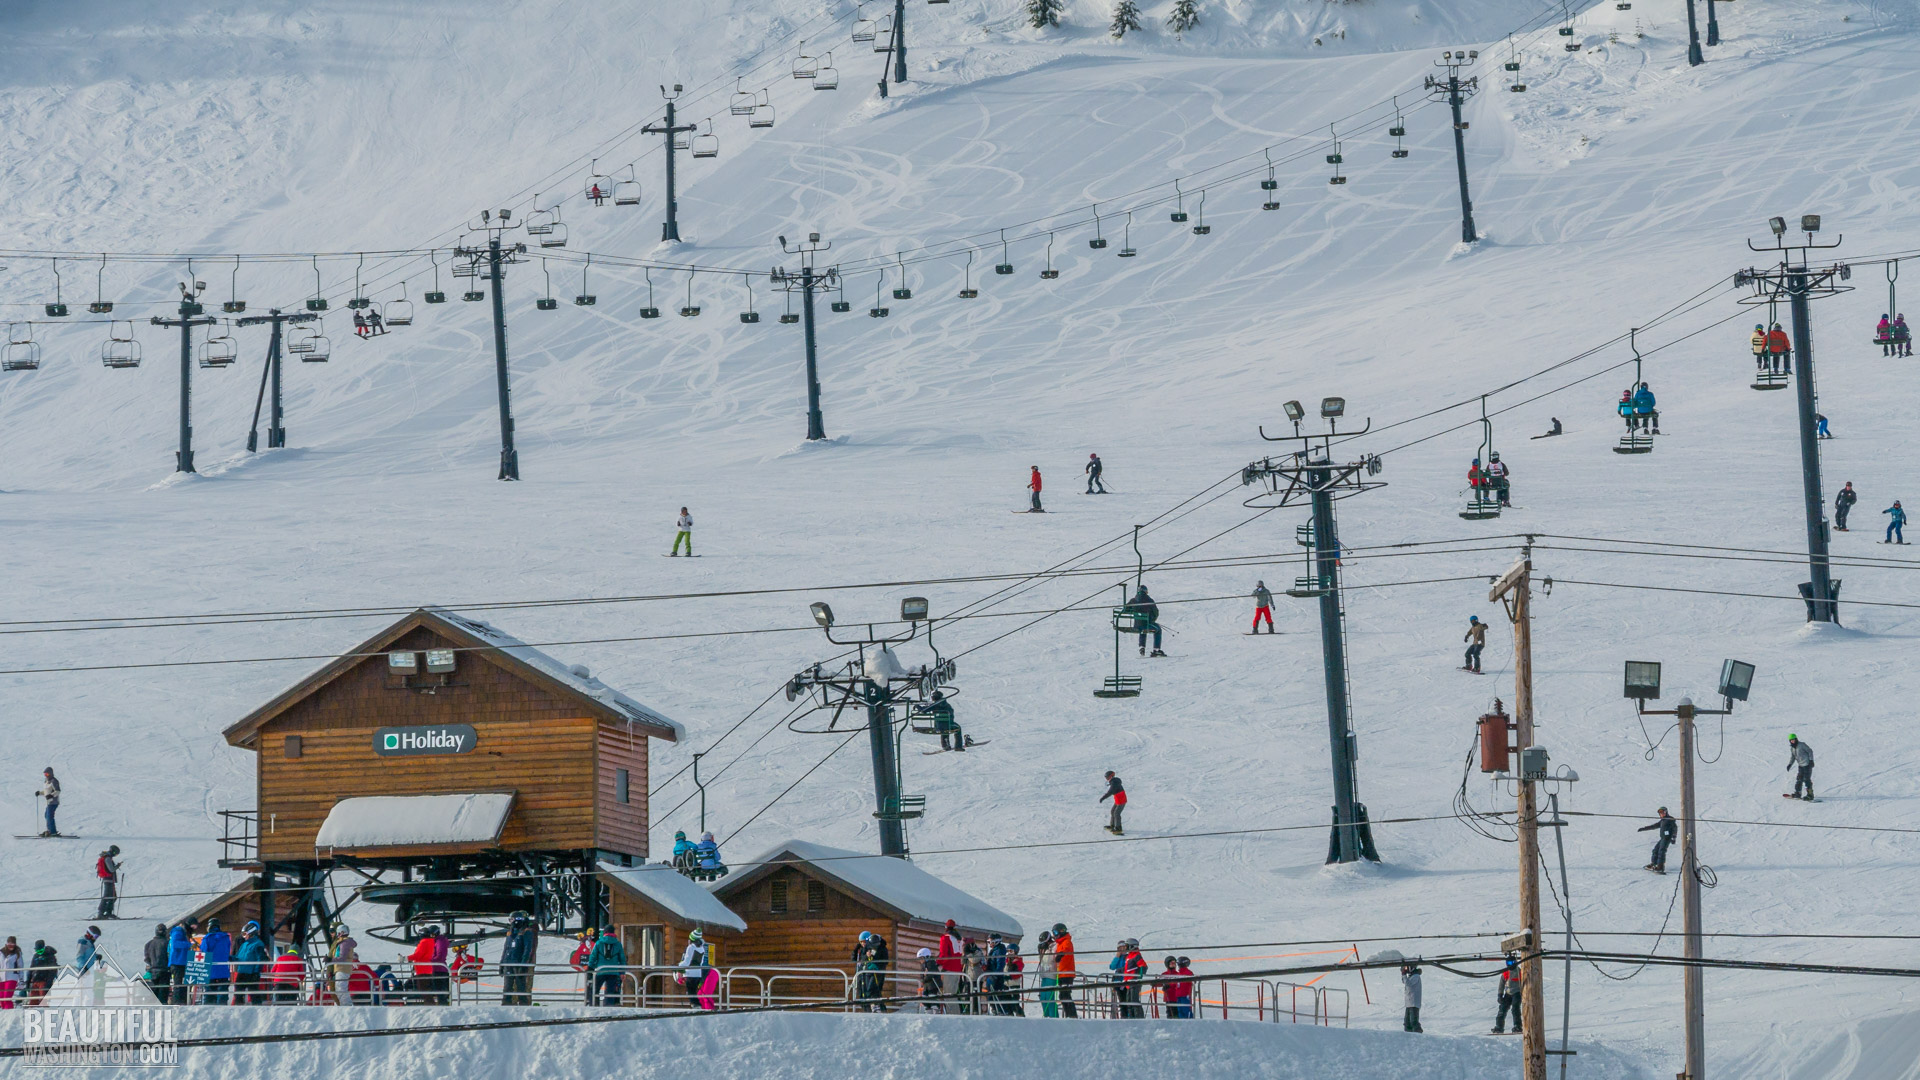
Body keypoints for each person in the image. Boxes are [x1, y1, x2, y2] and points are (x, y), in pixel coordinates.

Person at [501, 911, 537, 1005]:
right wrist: (502, 964)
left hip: (518, 963)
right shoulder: (510, 933)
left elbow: (527, 949)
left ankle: (523, 1003)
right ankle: (506, 1003)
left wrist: (523, 964)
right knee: (507, 986)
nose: (511, 922)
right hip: (508, 963)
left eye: (512, 920)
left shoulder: (526, 932)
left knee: (521, 985)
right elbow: (506, 949)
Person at [585, 927, 625, 1006]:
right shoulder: (618, 944)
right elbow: (622, 959)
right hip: (614, 972)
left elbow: (593, 957)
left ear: (605, 932)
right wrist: (622, 972)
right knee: (611, 990)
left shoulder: (599, 943)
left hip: (601, 970)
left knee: (594, 989)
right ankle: (609, 1006)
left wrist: (590, 968)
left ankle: (594, 1005)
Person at [234, 921, 270, 1005]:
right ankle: (238, 1007)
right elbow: (239, 957)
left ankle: (257, 1007)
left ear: (251, 933)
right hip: (242, 971)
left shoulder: (258, 944)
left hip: (251, 972)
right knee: (238, 990)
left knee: (253, 992)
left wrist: (256, 972)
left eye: (245, 934)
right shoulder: (244, 944)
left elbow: (260, 958)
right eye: (242, 934)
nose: (244, 936)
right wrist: (230, 958)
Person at [1111, 939, 1147, 1019]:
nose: (1125, 948)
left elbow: (1143, 967)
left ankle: (1138, 1018)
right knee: (1128, 1002)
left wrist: (1138, 977)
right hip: (1127, 982)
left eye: (1126, 946)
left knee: (1134, 1001)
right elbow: (1127, 968)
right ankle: (1131, 1018)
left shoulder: (1136, 956)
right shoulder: (1130, 956)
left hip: (1133, 982)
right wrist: (1119, 971)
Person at [201, 917, 233, 1004]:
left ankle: (208, 1010)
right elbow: (227, 951)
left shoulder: (207, 938)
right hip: (223, 970)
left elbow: (204, 953)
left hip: (210, 971)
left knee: (209, 994)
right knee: (223, 993)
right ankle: (223, 1009)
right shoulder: (226, 937)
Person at [1127, 585, 1163, 657]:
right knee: (1158, 629)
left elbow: (1126, 609)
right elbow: (1156, 612)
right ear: (1145, 591)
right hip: (1146, 625)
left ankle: (1142, 647)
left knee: (1142, 628)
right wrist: (1152, 620)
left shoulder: (1133, 600)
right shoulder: (1149, 600)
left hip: (1137, 625)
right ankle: (1156, 650)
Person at [936, 921, 965, 1008]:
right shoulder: (960, 939)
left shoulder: (945, 938)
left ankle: (952, 1016)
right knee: (953, 995)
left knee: (948, 995)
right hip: (958, 970)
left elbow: (944, 955)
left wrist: (937, 962)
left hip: (949, 969)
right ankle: (956, 1014)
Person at [1639, 806, 1677, 873]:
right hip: (1663, 838)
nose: (1661, 814)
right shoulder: (1663, 821)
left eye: (1663, 813)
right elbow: (1654, 826)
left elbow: (1675, 828)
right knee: (1655, 850)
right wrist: (1643, 828)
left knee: (1661, 851)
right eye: (1660, 813)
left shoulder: (1670, 819)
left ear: (1666, 812)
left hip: (1667, 838)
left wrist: (1674, 837)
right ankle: (1654, 864)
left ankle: (1660, 866)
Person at [682, 928, 713, 1010]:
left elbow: (687, 961)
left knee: (690, 990)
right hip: (698, 973)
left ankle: (696, 1005)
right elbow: (702, 961)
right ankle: (696, 1004)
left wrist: (679, 966)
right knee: (693, 990)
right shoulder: (702, 948)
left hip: (690, 973)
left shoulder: (690, 947)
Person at [1051, 923, 1078, 1018]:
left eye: (1055, 932)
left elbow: (1067, 949)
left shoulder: (1066, 941)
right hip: (1061, 973)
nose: (1054, 935)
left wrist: (1061, 954)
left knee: (1065, 995)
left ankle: (1072, 1015)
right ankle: (1069, 1015)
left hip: (1067, 973)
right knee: (1062, 996)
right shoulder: (1059, 943)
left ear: (1061, 931)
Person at [1492, 955, 1523, 1034]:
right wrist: (1500, 995)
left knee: (1515, 1008)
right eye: (1508, 962)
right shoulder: (1506, 973)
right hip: (1508, 993)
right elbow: (1501, 984)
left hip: (1517, 992)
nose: (1510, 964)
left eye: (1512, 962)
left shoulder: (1519, 972)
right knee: (1502, 1009)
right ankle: (1499, 1027)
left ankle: (1518, 1026)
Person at [143, 923, 171, 1004]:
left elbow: (146, 958)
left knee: (154, 991)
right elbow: (170, 956)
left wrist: (152, 964)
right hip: (165, 970)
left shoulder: (149, 944)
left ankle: (152, 1008)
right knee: (163, 992)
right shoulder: (167, 943)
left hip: (153, 971)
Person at [167, 923, 192, 1004]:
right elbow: (175, 944)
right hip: (177, 962)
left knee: (181, 983)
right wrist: (188, 944)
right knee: (178, 983)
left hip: (180, 962)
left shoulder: (179, 933)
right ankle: (177, 1001)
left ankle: (181, 1000)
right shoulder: (177, 932)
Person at [1035, 930, 1058, 1018]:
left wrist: (1049, 949)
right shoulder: (1044, 949)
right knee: (1042, 997)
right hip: (1044, 975)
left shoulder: (1055, 946)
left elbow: (1054, 957)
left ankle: (1053, 1017)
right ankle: (1046, 1015)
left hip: (1051, 975)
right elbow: (1042, 960)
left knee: (1049, 998)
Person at [27, 941, 58, 1006]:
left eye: (41, 950)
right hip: (35, 980)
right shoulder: (36, 956)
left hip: (44, 980)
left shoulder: (50, 956)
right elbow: (31, 968)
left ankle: (44, 1012)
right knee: (33, 1000)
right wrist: (28, 981)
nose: (39, 952)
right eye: (37, 951)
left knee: (43, 999)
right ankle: (32, 1011)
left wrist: (49, 983)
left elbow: (52, 970)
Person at [95, 845, 122, 919]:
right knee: (106, 897)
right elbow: (111, 869)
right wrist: (118, 866)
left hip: (109, 880)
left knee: (113, 897)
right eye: (116, 853)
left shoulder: (107, 858)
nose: (116, 855)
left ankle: (108, 912)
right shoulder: (107, 858)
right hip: (108, 880)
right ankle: (100, 913)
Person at [1787, 734, 1815, 801]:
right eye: (1791, 740)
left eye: (1793, 740)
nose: (1792, 741)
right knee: (1799, 779)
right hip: (1801, 766)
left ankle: (1810, 795)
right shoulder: (1792, 748)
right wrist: (1790, 764)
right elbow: (1793, 757)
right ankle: (1798, 793)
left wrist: (1811, 760)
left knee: (1807, 779)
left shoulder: (1802, 745)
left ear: (1796, 739)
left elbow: (1810, 751)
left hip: (1807, 764)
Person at [916, 947, 943, 1012]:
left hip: (933, 984)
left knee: (932, 997)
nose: (920, 961)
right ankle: (927, 1009)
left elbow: (931, 974)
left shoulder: (931, 963)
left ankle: (935, 1008)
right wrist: (923, 978)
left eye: (921, 958)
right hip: (927, 985)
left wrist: (924, 978)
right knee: (924, 998)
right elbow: (922, 974)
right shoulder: (923, 965)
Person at [1101, 771, 1127, 835]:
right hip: (1118, 800)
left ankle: (1118, 829)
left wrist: (1102, 798)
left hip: (1121, 800)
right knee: (1113, 811)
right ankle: (1112, 825)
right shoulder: (1114, 781)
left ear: (1111, 776)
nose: (1106, 778)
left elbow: (1110, 792)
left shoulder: (1114, 783)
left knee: (1116, 813)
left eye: (1107, 777)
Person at [1401, 962, 1423, 1032]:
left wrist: (1404, 974)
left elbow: (1408, 984)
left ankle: (1417, 1035)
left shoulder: (1416, 976)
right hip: (1409, 1003)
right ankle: (1408, 1037)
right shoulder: (1411, 976)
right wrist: (1403, 974)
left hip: (1414, 1003)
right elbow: (1404, 981)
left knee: (1414, 1022)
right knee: (1407, 1023)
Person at [39, 767, 60, 837]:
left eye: (47, 774)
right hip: (49, 802)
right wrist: (39, 793)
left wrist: (51, 795)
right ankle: (49, 830)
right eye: (45, 774)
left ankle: (53, 832)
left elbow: (57, 791)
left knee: (49, 816)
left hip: (53, 802)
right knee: (46, 816)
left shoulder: (54, 781)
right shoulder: (46, 781)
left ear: (50, 773)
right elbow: (46, 792)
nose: (46, 775)